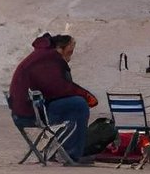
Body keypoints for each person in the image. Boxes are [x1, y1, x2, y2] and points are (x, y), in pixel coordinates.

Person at [8, 33, 99, 165]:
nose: (70, 58)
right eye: (70, 52)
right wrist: (85, 95)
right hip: (30, 112)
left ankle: (61, 149)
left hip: (26, 108)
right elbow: (57, 88)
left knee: (73, 104)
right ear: (60, 48)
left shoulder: (43, 56)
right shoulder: (49, 59)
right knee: (79, 104)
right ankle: (71, 153)